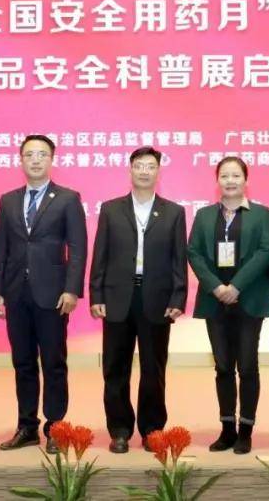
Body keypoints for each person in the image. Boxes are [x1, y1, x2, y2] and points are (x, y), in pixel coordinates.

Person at [0, 135, 88, 454]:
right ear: (20, 160)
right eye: (29, 154)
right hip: (16, 294)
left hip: (53, 295)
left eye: (42, 154)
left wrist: (72, 289)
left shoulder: (68, 198)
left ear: (51, 159)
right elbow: (1, 248)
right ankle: (27, 427)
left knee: (54, 362)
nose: (35, 160)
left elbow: (77, 248)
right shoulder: (8, 200)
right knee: (23, 362)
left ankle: (55, 428)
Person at [90, 146, 187, 453]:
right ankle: (119, 429)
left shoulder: (173, 212)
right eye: (139, 166)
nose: (144, 171)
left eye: (150, 166)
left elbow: (178, 259)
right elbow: (100, 254)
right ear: (130, 170)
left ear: (158, 172)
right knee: (115, 367)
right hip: (118, 296)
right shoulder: (111, 209)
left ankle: (152, 429)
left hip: (156, 298)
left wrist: (178, 297)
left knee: (153, 368)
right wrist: (96, 294)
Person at [188, 156, 269, 455]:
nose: (230, 181)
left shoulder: (261, 214)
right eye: (224, 175)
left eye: (236, 175)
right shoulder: (204, 215)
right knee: (223, 366)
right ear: (217, 181)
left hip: (249, 299)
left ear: (246, 180)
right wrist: (216, 287)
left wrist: (236, 286)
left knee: (247, 366)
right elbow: (194, 252)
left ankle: (245, 430)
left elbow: (266, 251)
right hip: (215, 302)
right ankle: (227, 429)